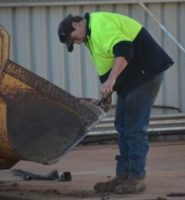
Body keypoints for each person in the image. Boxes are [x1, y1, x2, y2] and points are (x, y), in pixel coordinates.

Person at [58, 12, 174, 194]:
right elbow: (106, 67)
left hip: (146, 73)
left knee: (134, 127)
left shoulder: (98, 25)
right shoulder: (90, 38)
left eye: (75, 39)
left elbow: (124, 48)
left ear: (77, 24)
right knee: (121, 125)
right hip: (132, 79)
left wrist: (111, 81)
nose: (78, 43)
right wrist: (106, 94)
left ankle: (136, 178)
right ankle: (123, 176)